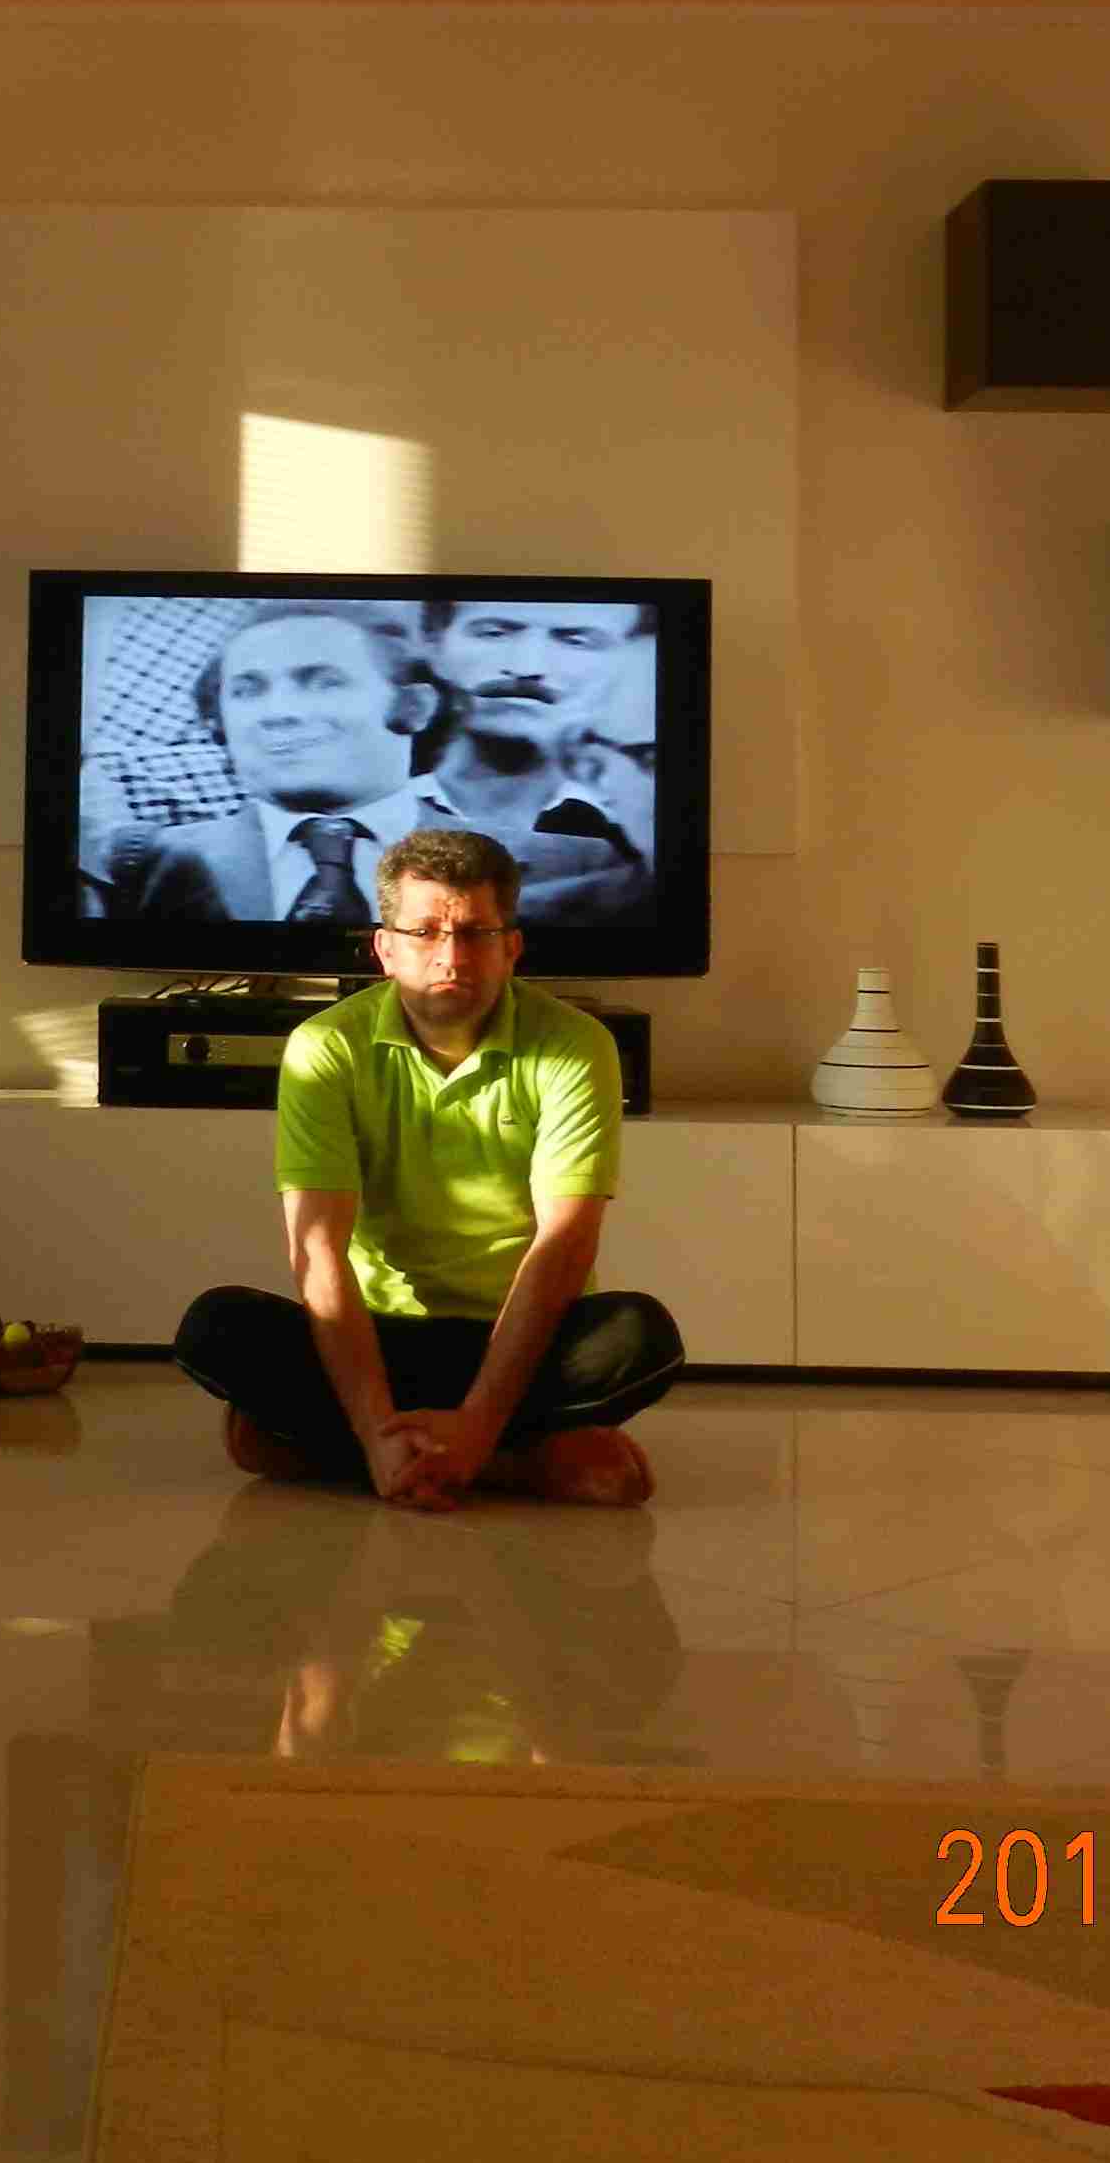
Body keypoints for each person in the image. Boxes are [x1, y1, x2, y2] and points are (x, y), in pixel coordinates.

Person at [169, 826, 682, 1507]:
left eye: (474, 933)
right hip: (381, 1339)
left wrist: (478, 1423)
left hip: (521, 1336)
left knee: (640, 1335)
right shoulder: (325, 1047)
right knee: (216, 1326)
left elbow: (564, 1246)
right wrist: (375, 1428)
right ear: (384, 949)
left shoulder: (575, 1045)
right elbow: (317, 1250)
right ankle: (513, 1461)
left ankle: (371, 1449)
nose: (450, 956)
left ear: (512, 947)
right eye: (424, 932)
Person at [81, 599, 441, 923]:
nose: (279, 712)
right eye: (247, 691)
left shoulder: (475, 850)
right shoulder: (152, 866)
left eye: (326, 683)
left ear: (414, 707)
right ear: (218, 723)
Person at [415, 597, 656, 924]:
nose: (527, 666)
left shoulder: (643, 836)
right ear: (433, 644)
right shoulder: (361, 821)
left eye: (575, 641)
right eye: (494, 633)